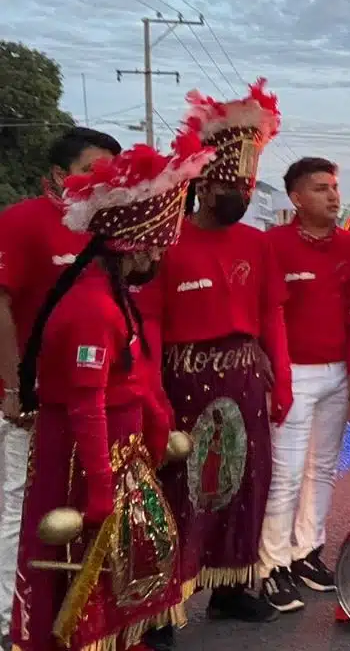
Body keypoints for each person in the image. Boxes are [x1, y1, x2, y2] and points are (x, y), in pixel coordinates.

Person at [10, 135, 212, 651]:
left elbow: (136, 377)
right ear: (137, 245)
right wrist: (100, 488)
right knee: (85, 568)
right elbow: (85, 404)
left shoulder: (112, 296)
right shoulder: (92, 309)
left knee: (126, 560)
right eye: (159, 247)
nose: (162, 257)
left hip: (117, 450)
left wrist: (157, 422)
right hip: (85, 456)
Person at [137, 79, 289, 626]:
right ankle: (164, 607)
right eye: (231, 189)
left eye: (246, 189)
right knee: (182, 488)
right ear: (203, 187)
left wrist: (283, 380)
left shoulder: (257, 243)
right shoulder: (169, 240)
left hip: (245, 376)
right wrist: (152, 392)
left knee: (248, 484)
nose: (241, 199)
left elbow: (272, 313)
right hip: (184, 378)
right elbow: (150, 321)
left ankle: (232, 588)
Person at [0, 127, 120, 647]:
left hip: (89, 401)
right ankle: (8, 621)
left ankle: (63, 617)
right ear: (57, 174)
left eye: (113, 171)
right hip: (28, 403)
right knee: (15, 509)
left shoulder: (109, 228)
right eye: (94, 168)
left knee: (68, 510)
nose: (105, 180)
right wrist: (11, 387)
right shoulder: (22, 222)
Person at [256, 157, 350, 612]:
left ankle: (307, 551)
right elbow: (269, 315)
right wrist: (277, 377)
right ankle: (272, 566)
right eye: (321, 188)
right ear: (296, 199)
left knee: (322, 467)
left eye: (335, 187)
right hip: (294, 375)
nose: (333, 195)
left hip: (339, 373)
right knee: (284, 473)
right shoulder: (274, 245)